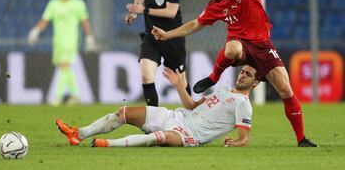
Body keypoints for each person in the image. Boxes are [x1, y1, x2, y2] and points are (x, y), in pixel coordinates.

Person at [151, 0, 317, 147]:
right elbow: (193, 25)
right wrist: (167, 35)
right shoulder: (214, 7)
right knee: (232, 47)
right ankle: (213, 77)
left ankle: (301, 139)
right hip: (241, 46)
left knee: (286, 90)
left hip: (263, 47)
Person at [55, 65, 259, 148]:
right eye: (242, 71)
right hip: (176, 117)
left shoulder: (243, 104)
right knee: (122, 112)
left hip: (190, 135)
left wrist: (235, 143)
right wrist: (179, 85)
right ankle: (79, 133)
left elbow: (245, 138)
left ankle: (108, 143)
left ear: (255, 83)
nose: (242, 75)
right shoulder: (223, 89)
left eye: (248, 75)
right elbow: (191, 105)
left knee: (156, 138)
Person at [125, 0, 190, 107]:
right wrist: (134, 11)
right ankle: (152, 118)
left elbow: (171, 12)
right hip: (152, 37)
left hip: (172, 36)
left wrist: (143, 10)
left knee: (180, 81)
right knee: (146, 76)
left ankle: (193, 116)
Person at [27, 0, 96, 105]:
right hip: (58, 42)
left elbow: (84, 21)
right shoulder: (53, 4)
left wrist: (89, 37)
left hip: (71, 41)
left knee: (64, 65)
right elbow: (45, 20)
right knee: (65, 67)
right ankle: (75, 95)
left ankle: (58, 97)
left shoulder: (78, 3)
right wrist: (35, 30)